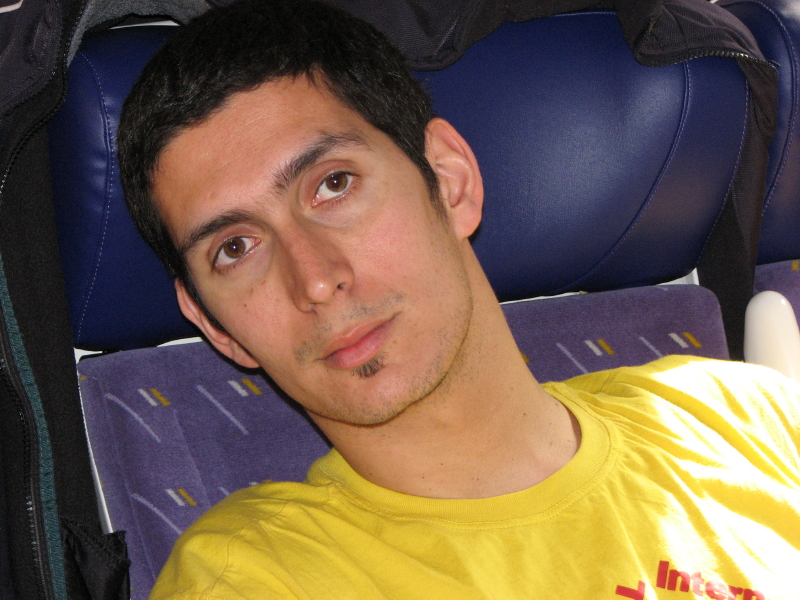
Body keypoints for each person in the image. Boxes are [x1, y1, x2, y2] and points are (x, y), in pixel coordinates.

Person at [117, 0, 800, 598]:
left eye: (333, 184)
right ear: (215, 326)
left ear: (449, 180)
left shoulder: (743, 415)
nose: (316, 280)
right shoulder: (251, 580)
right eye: (235, 247)